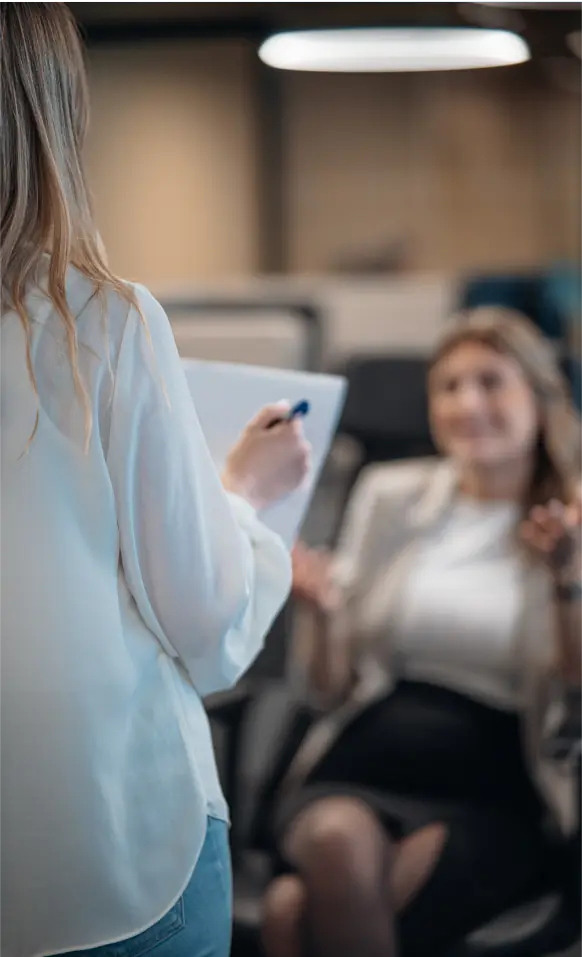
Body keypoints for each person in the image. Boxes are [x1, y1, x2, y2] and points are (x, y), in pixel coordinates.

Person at [0, 5, 312, 957]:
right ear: (49, 112)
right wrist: (245, 499)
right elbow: (207, 621)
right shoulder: (102, 321)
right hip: (110, 845)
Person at [260, 306, 582, 957]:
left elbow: (575, 691)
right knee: (334, 841)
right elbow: (330, 689)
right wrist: (322, 615)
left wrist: (567, 579)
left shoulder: (572, 519)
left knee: (295, 912)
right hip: (364, 756)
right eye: (449, 386)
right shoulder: (390, 494)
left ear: (539, 397)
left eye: (491, 381)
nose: (468, 403)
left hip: (493, 782)